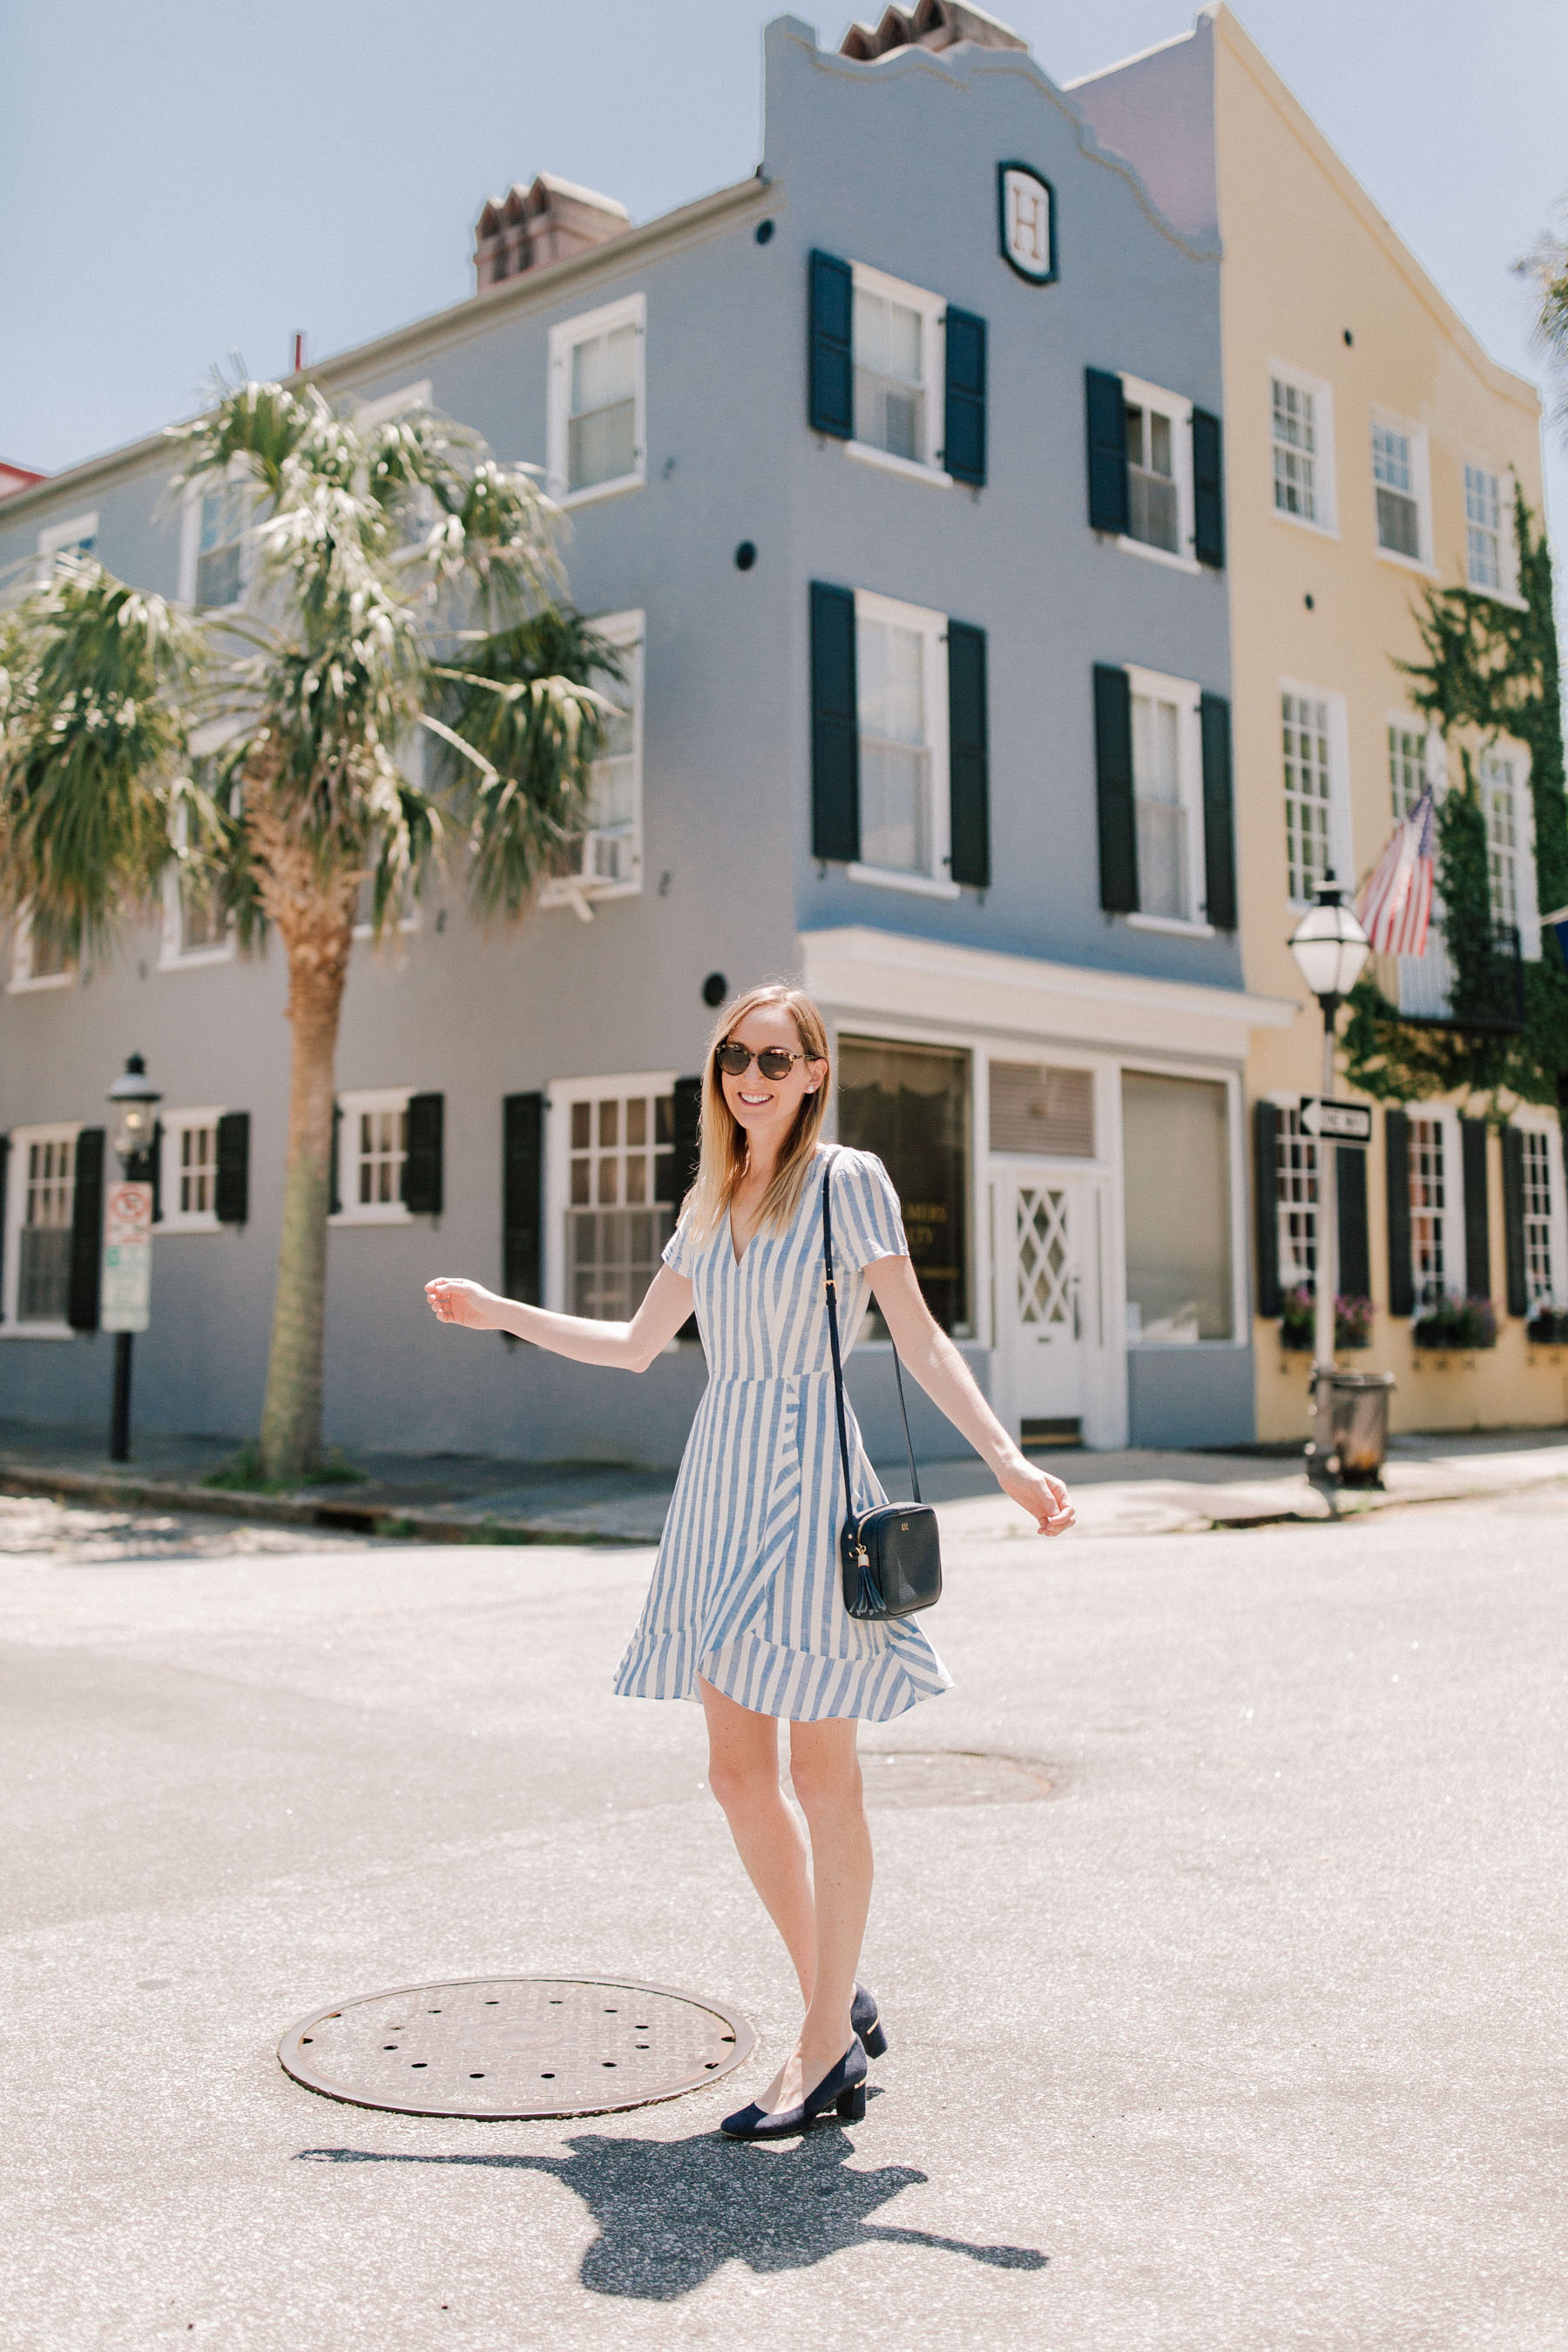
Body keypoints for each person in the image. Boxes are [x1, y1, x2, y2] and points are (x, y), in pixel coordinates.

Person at [425, 983, 1074, 2138]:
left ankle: (824, 2045)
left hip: (811, 1482)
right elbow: (634, 1348)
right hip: (721, 1484)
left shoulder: (847, 1180)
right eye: (735, 1057)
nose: (752, 1077)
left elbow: (917, 1336)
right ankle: (838, 1987)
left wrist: (1010, 1464)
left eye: (776, 1059)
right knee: (736, 1775)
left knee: (825, 1778)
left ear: (816, 1073)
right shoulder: (712, 1196)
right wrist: (497, 1312)